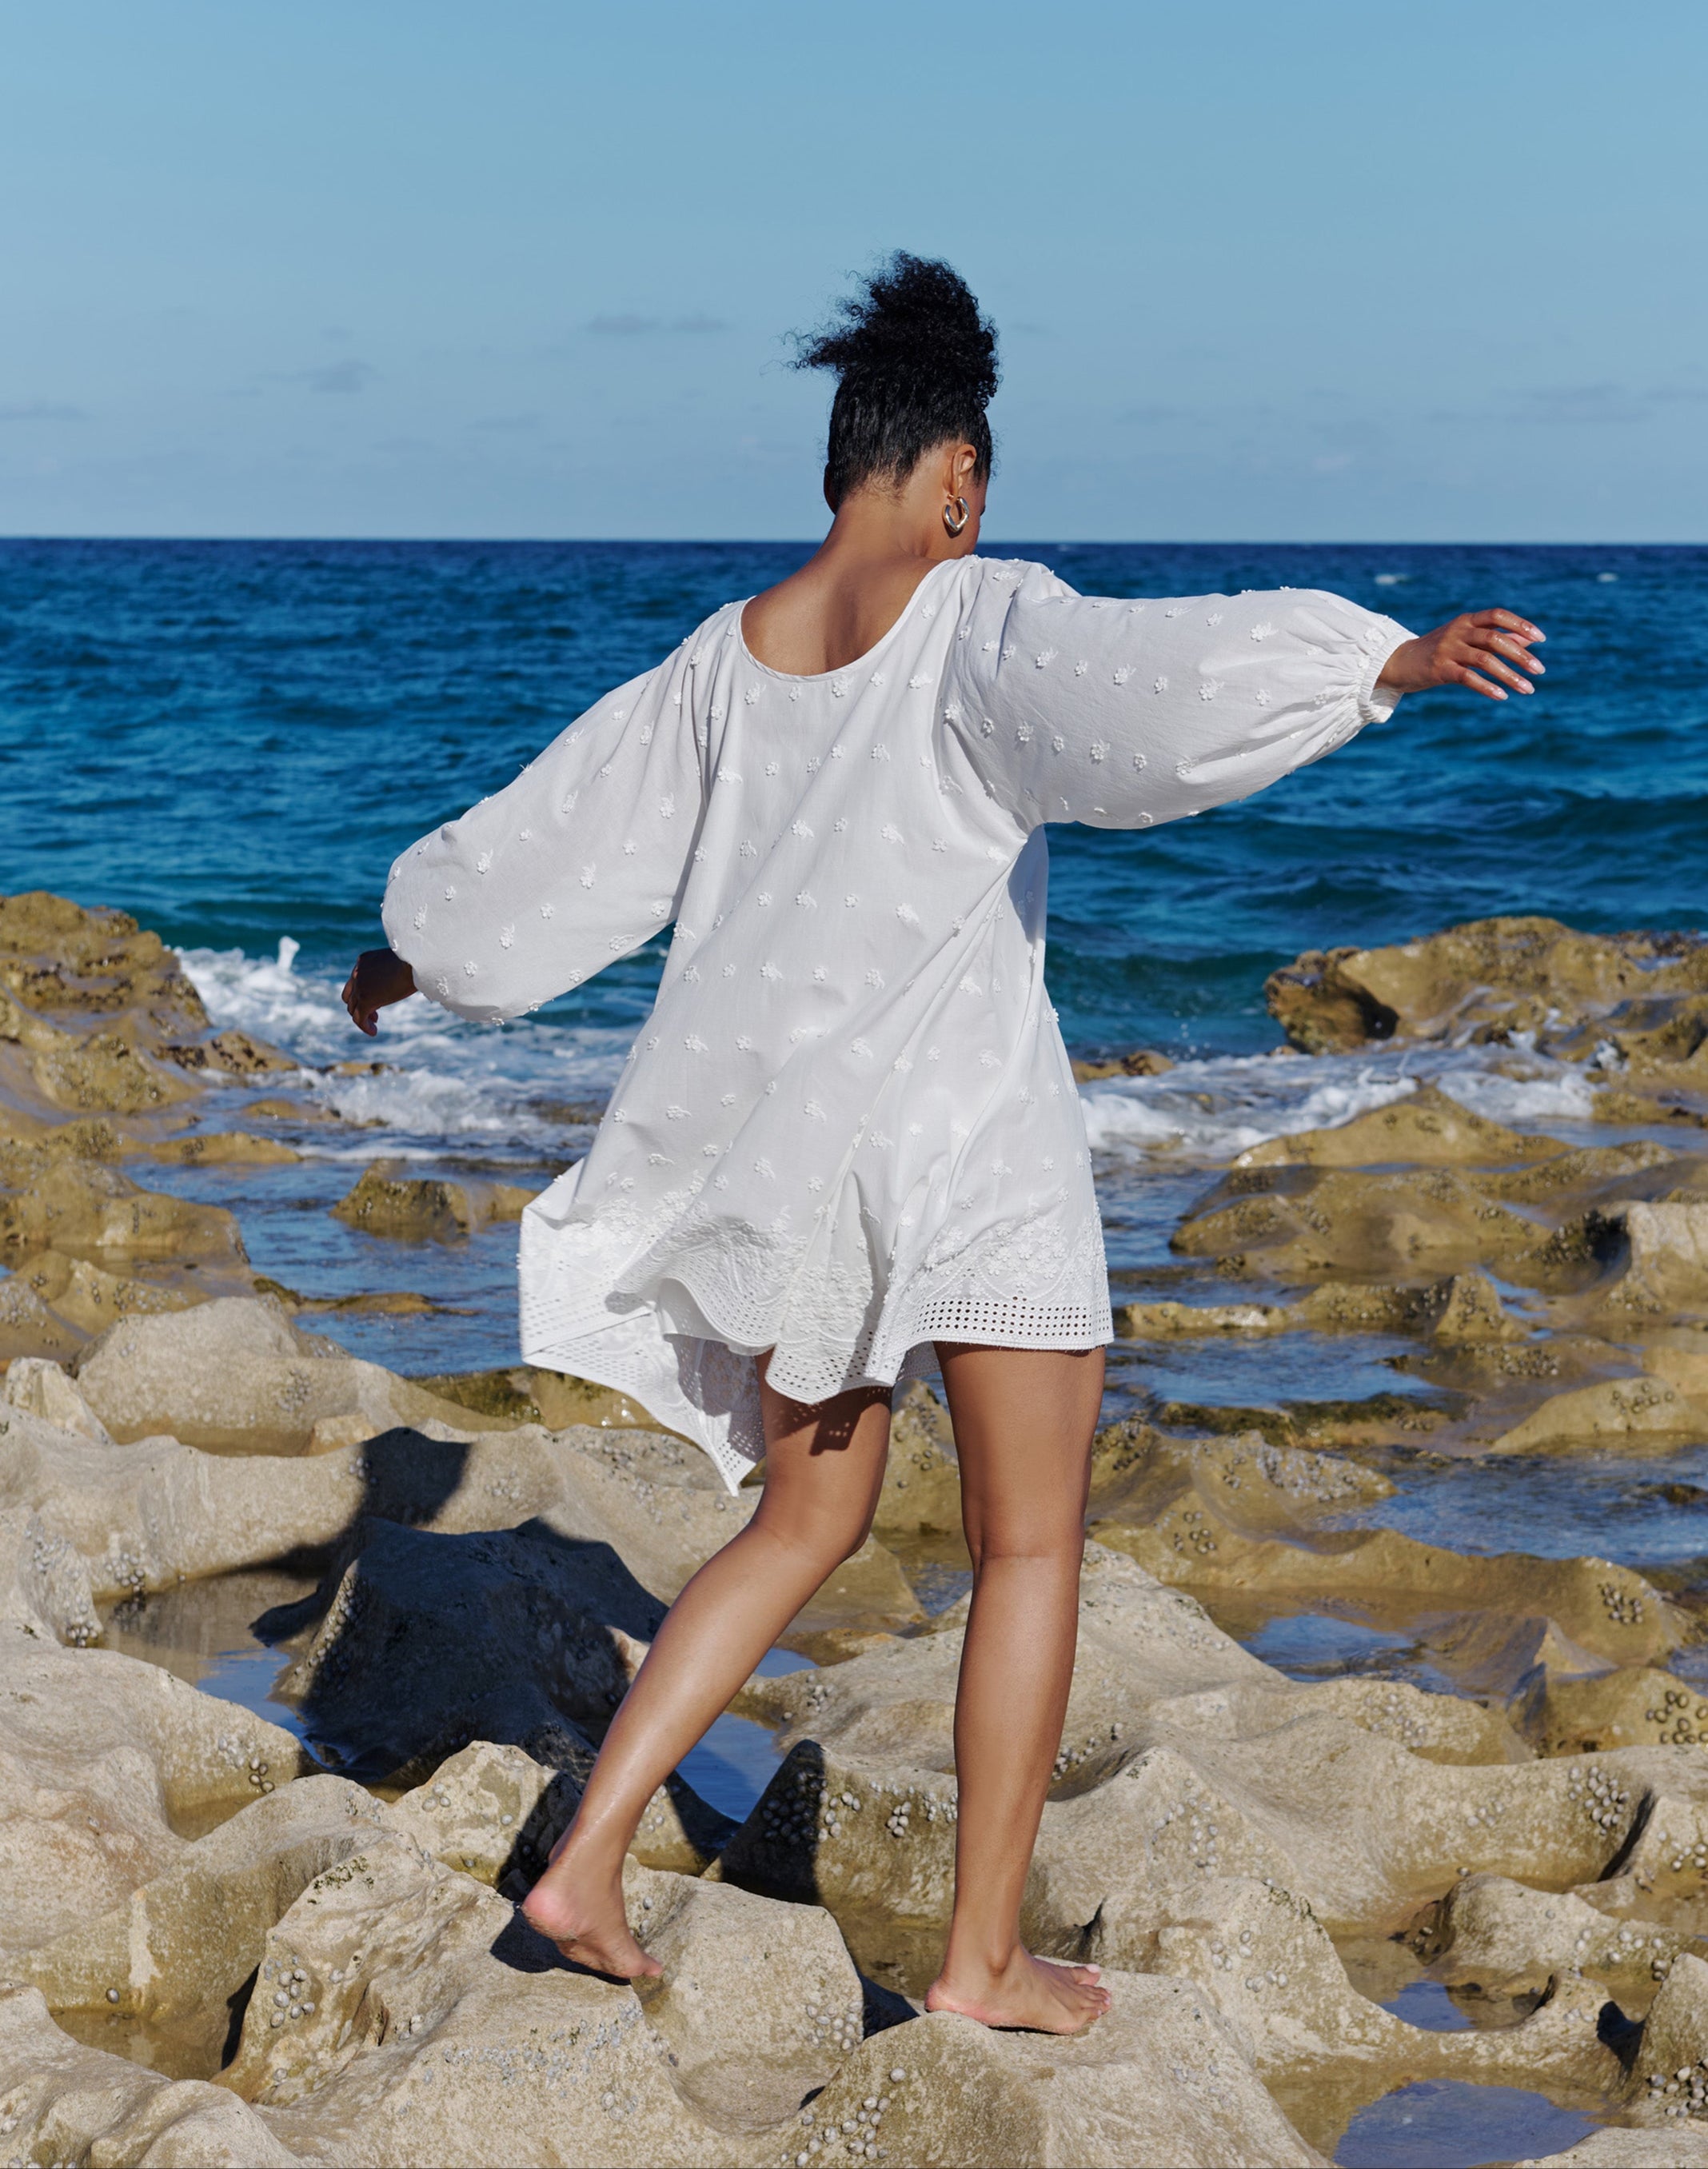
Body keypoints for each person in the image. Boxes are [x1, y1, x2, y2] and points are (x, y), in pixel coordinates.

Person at [342, 252, 1543, 2035]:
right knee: (1031, 1548)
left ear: (843, 457)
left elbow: (553, 854)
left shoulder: (718, 663)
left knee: (801, 1522)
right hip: (972, 1156)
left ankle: (584, 1861)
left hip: (797, 1167)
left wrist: (410, 958)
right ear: (958, 475)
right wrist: (1375, 660)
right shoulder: (978, 621)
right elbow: (1146, 686)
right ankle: (982, 1960)